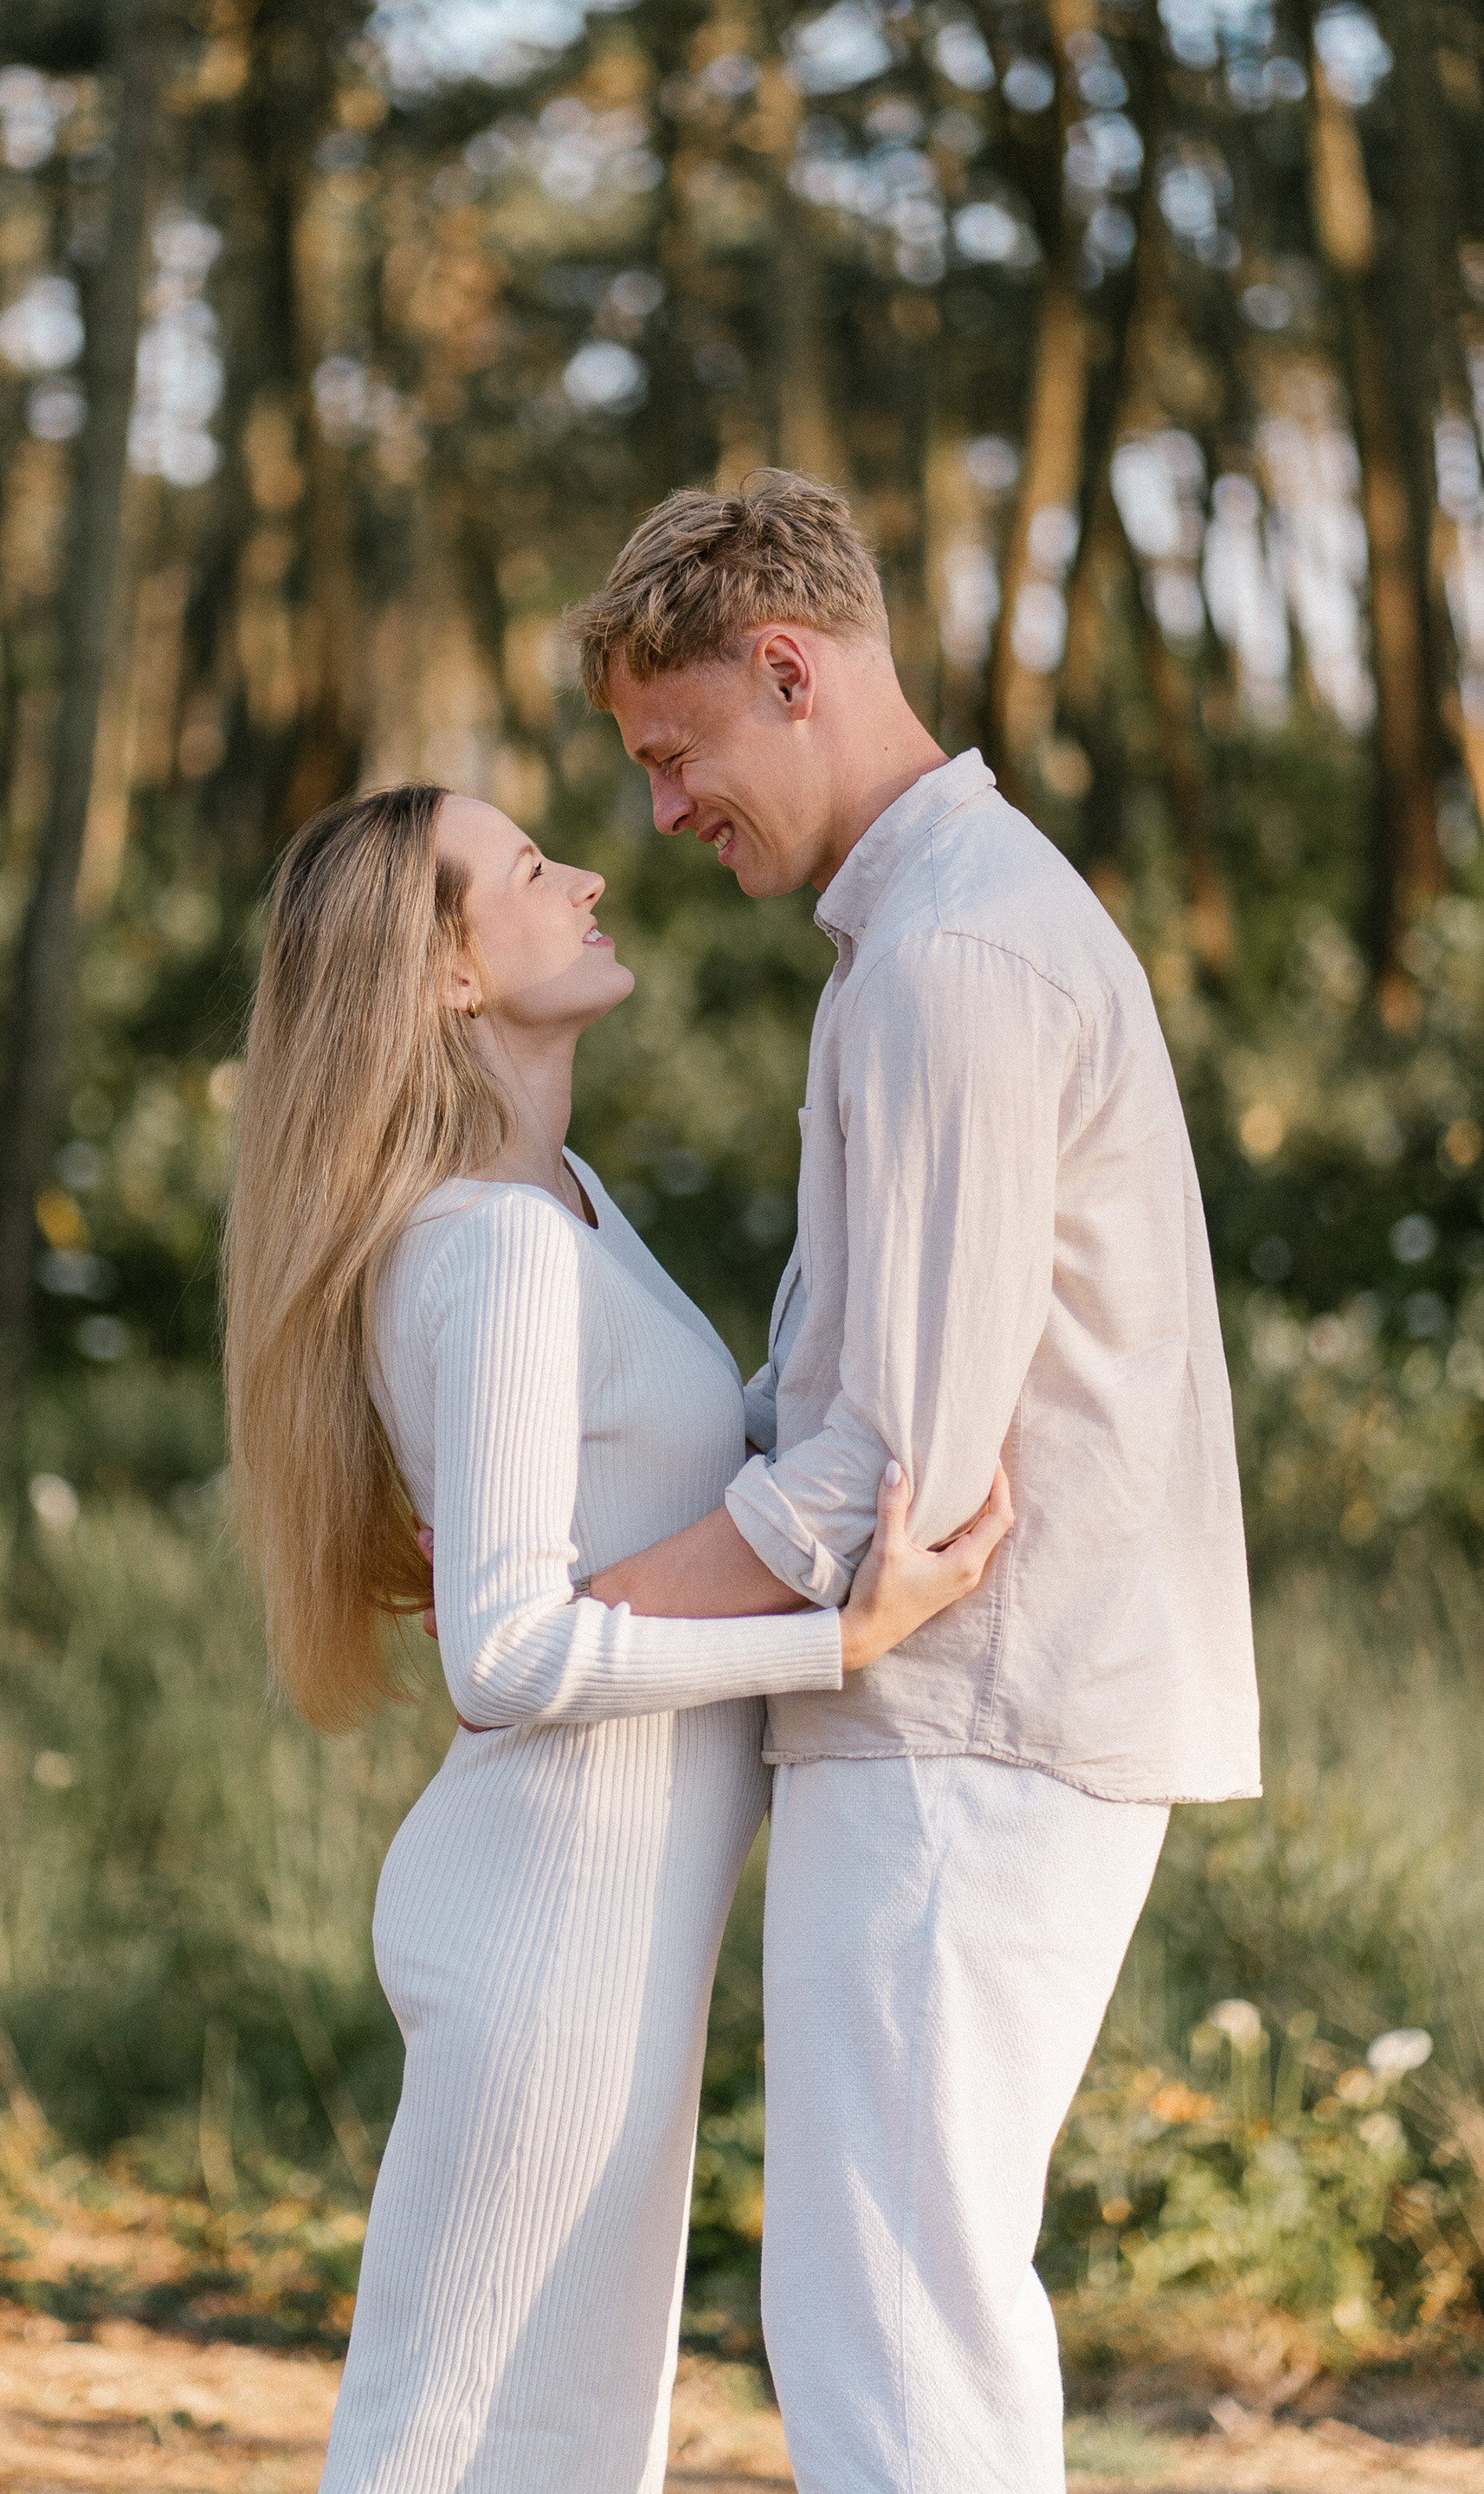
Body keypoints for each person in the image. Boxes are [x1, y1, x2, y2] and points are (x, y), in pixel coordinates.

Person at [566, 470, 1261, 2493]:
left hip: (976, 1718)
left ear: (791, 671)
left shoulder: (958, 955)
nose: (661, 812)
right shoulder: (933, 934)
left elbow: (893, 1474)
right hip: (970, 1716)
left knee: (895, 2323)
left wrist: (579, 1620)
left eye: (675, 751)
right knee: (899, 2308)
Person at [220, 779, 1012, 2494]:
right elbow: (505, 1657)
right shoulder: (496, 1246)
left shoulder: (564, 1197)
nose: (586, 875)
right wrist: (833, 1644)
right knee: (457, 2450)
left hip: (600, 1933)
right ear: (446, 973)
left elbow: (643, 1488)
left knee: (569, 2454)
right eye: (526, 869)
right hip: (546, 1931)